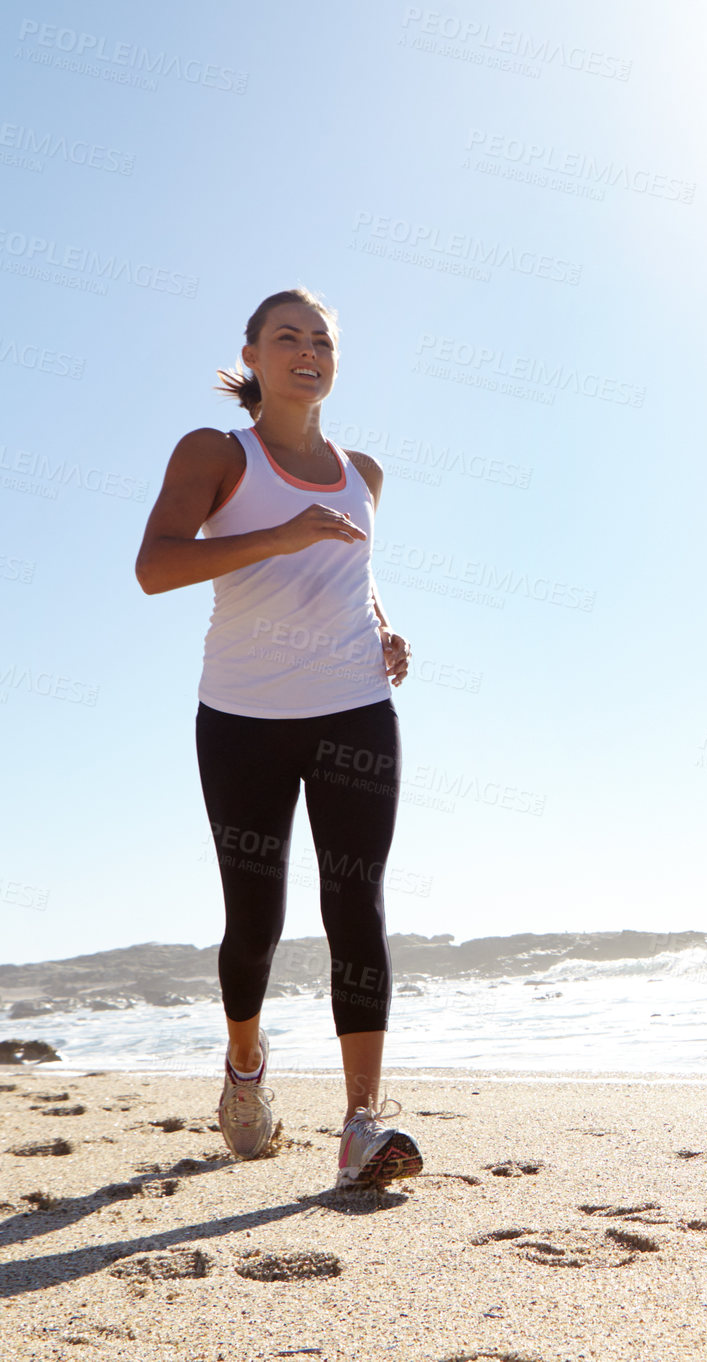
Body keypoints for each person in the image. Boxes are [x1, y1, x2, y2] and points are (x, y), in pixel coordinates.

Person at [134, 287, 422, 1190]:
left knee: (357, 899)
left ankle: (362, 1125)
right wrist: (277, 536)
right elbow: (156, 567)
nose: (308, 350)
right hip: (244, 718)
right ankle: (246, 1069)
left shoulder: (363, 471)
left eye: (322, 339)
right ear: (252, 355)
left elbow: (350, 568)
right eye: (287, 336)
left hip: (355, 706)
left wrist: (383, 626)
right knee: (255, 918)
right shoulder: (217, 452)